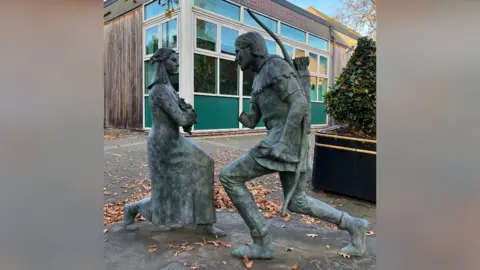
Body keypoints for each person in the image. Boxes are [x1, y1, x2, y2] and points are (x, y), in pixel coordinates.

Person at [219, 32, 368, 260]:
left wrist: (283, 142)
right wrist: (238, 113)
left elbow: (299, 104)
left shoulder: (275, 67)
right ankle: (354, 224)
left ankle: (261, 242)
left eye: (238, 52)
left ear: (252, 49)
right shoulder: (259, 77)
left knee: (229, 176)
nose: (235, 57)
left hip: (287, 140)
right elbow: (252, 121)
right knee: (298, 202)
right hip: (282, 139)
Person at [123, 48, 225, 237]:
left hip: (174, 140)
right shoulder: (159, 90)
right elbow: (181, 118)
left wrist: (187, 115)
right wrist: (190, 115)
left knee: (204, 164)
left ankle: (204, 222)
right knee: (164, 192)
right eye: (173, 60)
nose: (177, 63)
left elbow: (182, 119)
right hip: (163, 145)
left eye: (177, 60)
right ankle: (131, 209)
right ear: (163, 63)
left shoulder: (168, 87)